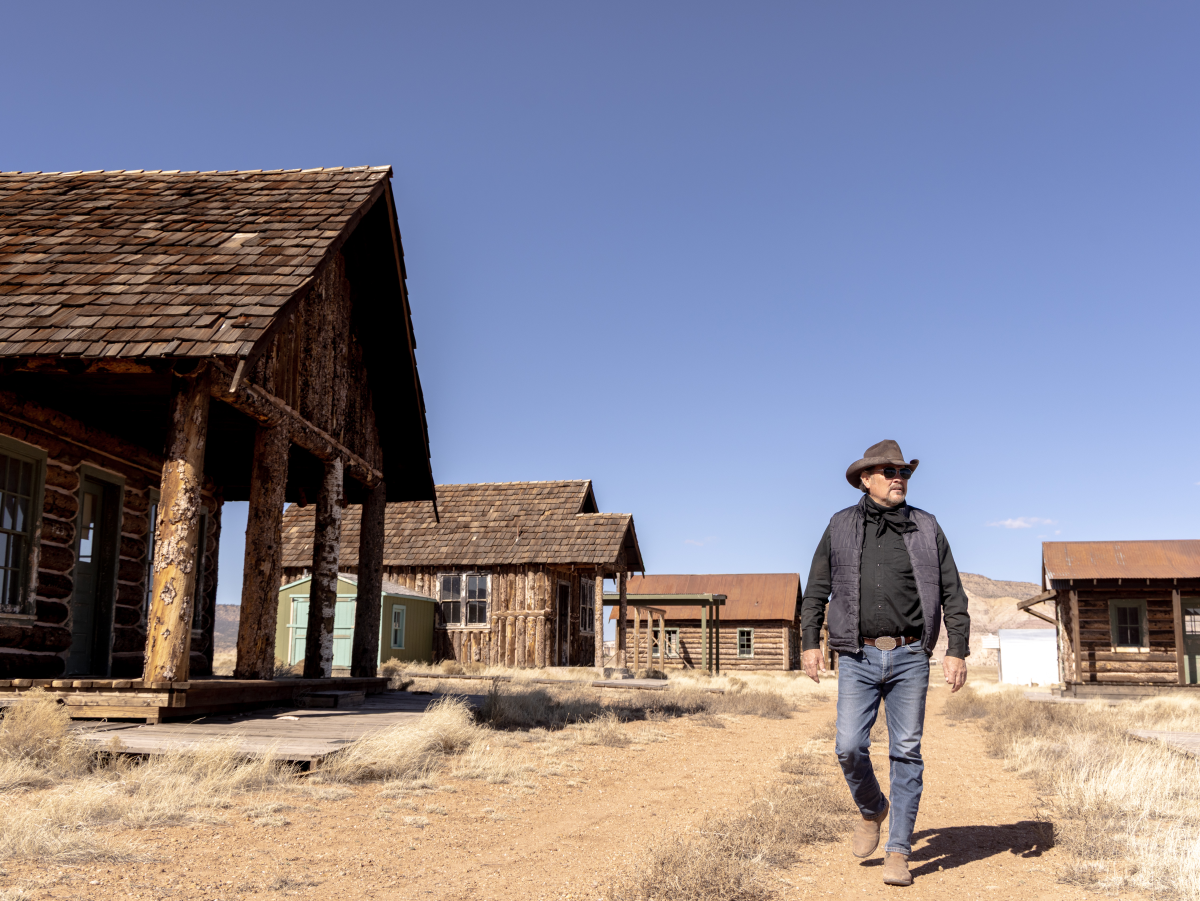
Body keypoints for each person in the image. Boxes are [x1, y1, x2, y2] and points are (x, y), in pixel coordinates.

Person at [800, 440, 969, 888]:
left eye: (905, 472)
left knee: (906, 751)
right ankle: (873, 807)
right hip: (856, 654)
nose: (899, 478)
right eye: (889, 471)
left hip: (912, 655)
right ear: (865, 479)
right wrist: (809, 642)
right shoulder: (840, 525)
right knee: (848, 746)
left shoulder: (926, 527)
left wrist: (957, 649)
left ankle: (899, 851)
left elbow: (953, 591)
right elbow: (816, 587)